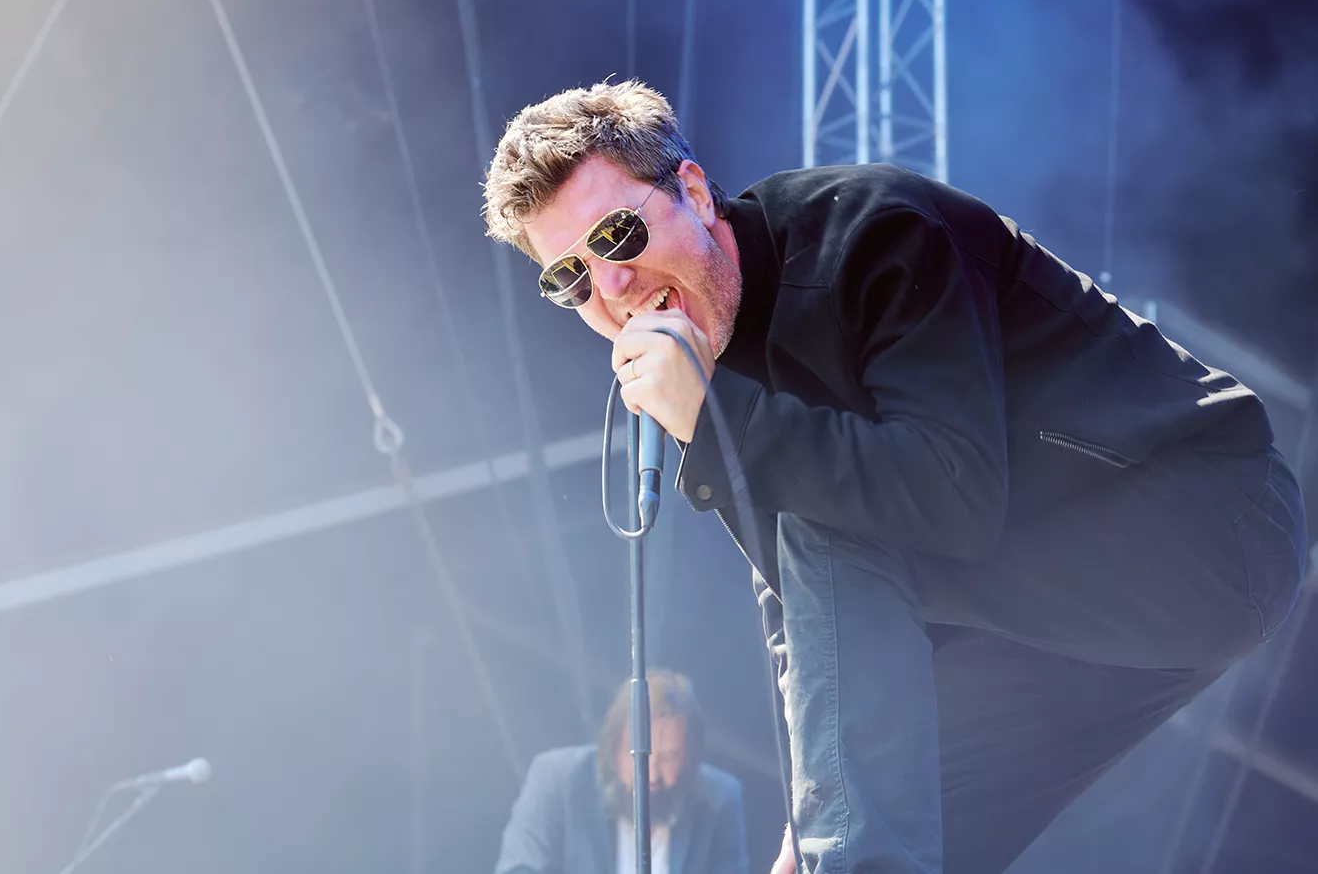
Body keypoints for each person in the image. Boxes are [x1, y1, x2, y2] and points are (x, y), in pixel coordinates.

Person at [480, 80, 1310, 874]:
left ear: (693, 193)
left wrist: (714, 415)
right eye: (570, 278)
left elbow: (951, 493)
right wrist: (815, 812)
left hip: (1210, 514)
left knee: (823, 506)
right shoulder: (719, 372)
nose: (612, 287)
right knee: (895, 837)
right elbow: (795, 604)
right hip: (1065, 623)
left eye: (616, 236)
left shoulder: (872, 231)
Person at [494, 669, 749, 874]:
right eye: (636, 754)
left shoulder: (720, 798)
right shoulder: (557, 778)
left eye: (669, 757)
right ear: (612, 742)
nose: (650, 775)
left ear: (690, 755)